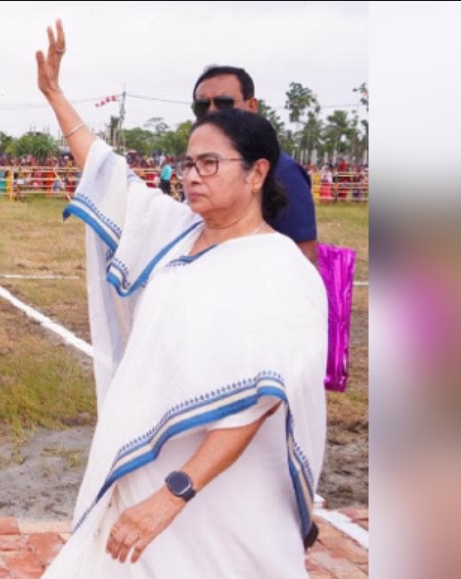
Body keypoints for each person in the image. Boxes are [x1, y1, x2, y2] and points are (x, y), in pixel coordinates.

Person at [35, 20, 327, 578]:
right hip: (144, 471)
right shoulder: (177, 233)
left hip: (223, 501)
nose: (192, 176)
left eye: (210, 164)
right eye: (189, 163)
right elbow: (107, 174)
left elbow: (263, 395)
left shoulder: (280, 267)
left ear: (257, 173)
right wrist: (55, 96)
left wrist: (173, 495)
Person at [191, 65, 318, 266]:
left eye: (224, 103)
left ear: (251, 105)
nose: (211, 111)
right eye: (202, 105)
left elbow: (305, 256)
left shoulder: (283, 171)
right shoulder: (195, 170)